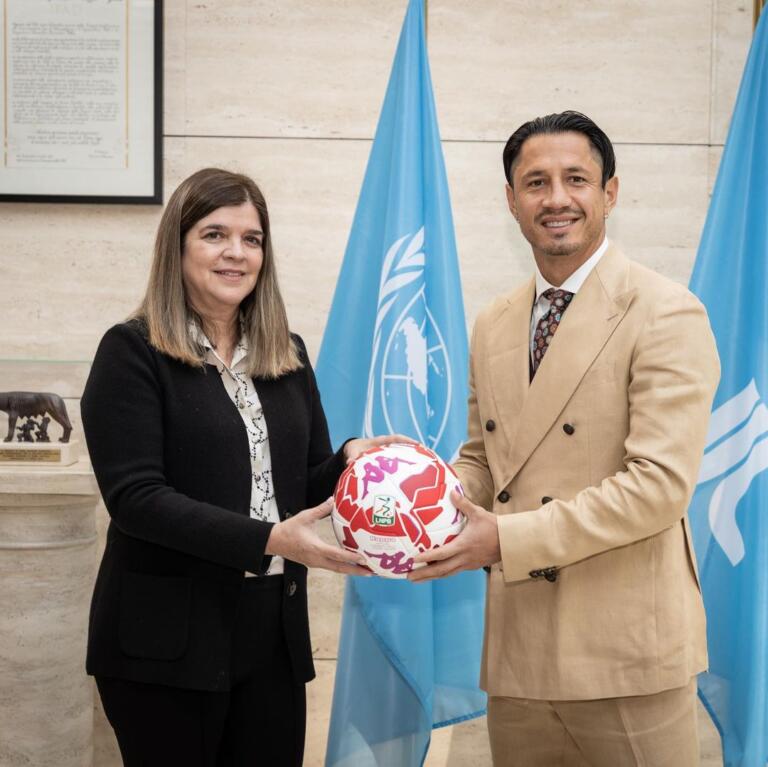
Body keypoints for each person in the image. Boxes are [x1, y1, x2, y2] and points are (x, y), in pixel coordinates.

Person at [409, 112, 720, 766]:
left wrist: (504, 537)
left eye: (575, 179)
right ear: (511, 200)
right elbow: (482, 460)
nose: (555, 198)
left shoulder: (666, 311)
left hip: (627, 655)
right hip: (520, 654)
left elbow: (658, 488)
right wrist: (413, 494)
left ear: (610, 191)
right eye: (535, 181)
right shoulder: (494, 321)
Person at [81, 167, 402, 767]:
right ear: (176, 247)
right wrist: (269, 539)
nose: (236, 252)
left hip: (271, 634)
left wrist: (350, 461)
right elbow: (136, 499)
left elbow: (304, 483)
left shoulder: (288, 353)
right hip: (166, 643)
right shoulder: (131, 352)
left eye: (251, 239)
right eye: (214, 234)